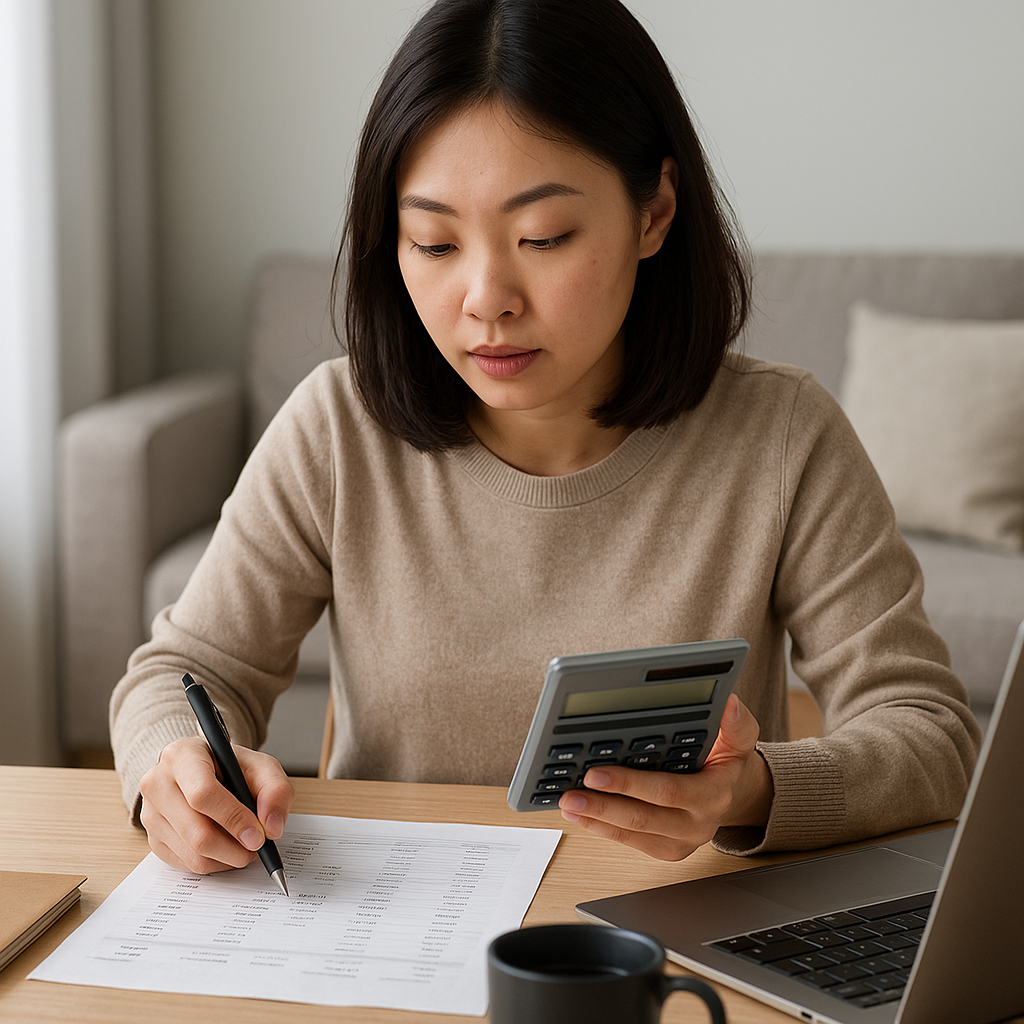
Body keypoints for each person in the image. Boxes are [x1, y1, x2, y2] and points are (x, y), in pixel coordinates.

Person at [110, 0, 980, 877]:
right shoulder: (339, 428)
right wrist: (174, 770)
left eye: (542, 236)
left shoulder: (783, 435)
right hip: (390, 932)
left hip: (661, 937)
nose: (486, 297)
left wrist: (749, 790)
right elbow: (183, 671)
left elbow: (931, 736)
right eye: (435, 242)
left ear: (654, 212)